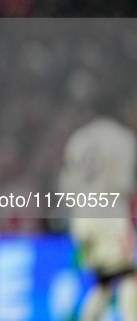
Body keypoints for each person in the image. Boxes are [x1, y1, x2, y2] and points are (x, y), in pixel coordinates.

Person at [59, 114, 137, 320]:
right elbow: (124, 184)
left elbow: (67, 184)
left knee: (104, 280)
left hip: (82, 218)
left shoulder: (77, 139)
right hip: (109, 216)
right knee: (127, 274)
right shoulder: (123, 138)